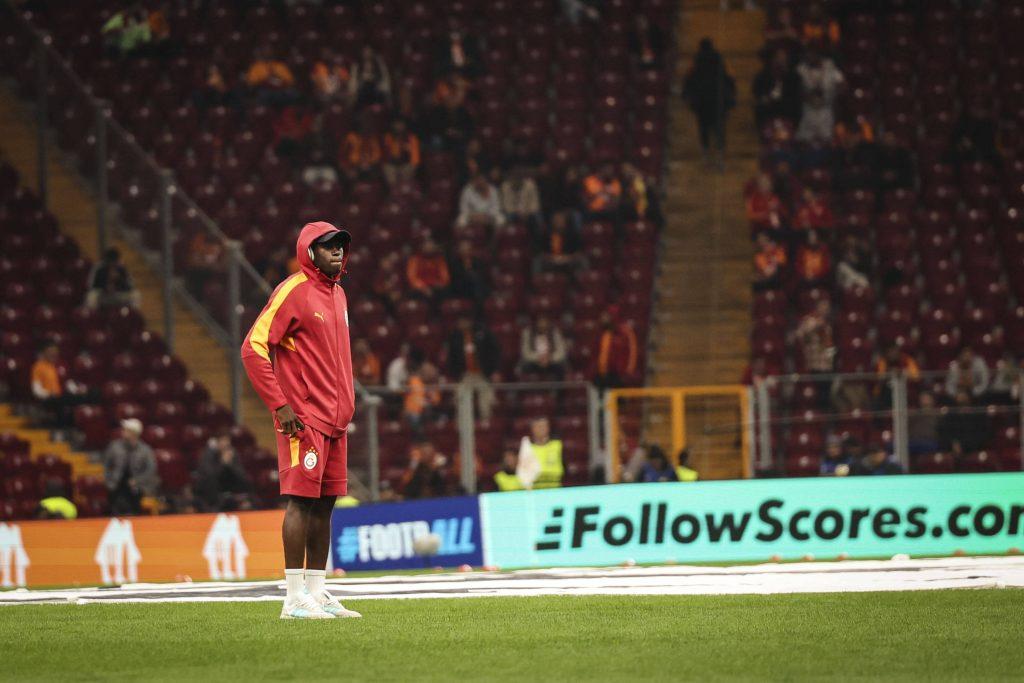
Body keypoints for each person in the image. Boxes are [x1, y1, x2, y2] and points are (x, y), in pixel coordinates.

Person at [240, 221, 360, 620]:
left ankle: (317, 590)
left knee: (325, 505)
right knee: (301, 503)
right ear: (309, 253)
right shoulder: (293, 291)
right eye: (327, 247)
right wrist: (280, 405)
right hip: (303, 419)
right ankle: (293, 598)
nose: (337, 252)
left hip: (336, 422)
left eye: (340, 245)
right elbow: (253, 348)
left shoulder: (339, 294)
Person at [682, 38, 736, 168]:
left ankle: (706, 157)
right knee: (719, 129)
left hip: (702, 103)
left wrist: (686, 97)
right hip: (718, 101)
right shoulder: (719, 61)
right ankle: (720, 157)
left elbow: (688, 80)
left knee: (704, 129)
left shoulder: (696, 62)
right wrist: (731, 99)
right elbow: (729, 80)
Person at [446, 316, 501, 420]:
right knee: (460, 397)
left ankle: (487, 424)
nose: (460, 324)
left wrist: (495, 370)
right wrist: (455, 377)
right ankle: (462, 427)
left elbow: (494, 352)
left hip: (482, 374)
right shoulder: (455, 337)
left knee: (487, 400)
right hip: (465, 375)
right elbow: (451, 359)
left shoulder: (483, 333)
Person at [103, 418, 158, 516]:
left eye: (126, 430)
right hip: (116, 487)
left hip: (136, 489)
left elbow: (150, 470)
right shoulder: (114, 447)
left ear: (134, 433)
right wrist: (109, 481)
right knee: (116, 511)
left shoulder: (145, 450)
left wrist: (137, 480)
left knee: (133, 512)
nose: (123, 432)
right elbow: (107, 465)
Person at [794, 49, 844, 145]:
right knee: (806, 140)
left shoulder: (830, 66)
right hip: (808, 109)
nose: (810, 56)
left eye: (812, 53)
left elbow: (842, 84)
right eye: (808, 54)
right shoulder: (801, 69)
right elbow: (796, 89)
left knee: (827, 139)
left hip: (826, 108)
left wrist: (834, 95)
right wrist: (806, 95)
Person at [193, 434, 253, 513]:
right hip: (212, 494)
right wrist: (222, 463)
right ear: (217, 442)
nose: (225, 444)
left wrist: (230, 464)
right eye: (223, 441)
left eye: (227, 441)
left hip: (229, 491)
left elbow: (241, 475)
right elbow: (210, 477)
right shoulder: (208, 455)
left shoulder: (232, 454)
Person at [752, 49, 802, 131]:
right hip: (768, 117)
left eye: (783, 59)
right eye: (778, 58)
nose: (780, 61)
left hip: (787, 117)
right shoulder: (762, 77)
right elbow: (758, 95)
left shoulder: (794, 78)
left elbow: (796, 99)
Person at [595, 307, 638, 388]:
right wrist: (602, 372)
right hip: (607, 375)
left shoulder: (626, 331)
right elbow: (601, 356)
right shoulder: (604, 333)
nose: (602, 318)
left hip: (621, 374)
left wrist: (628, 371)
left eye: (605, 316)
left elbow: (633, 352)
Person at [938, 390, 991, 455]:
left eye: (963, 395)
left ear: (969, 397)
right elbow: (946, 431)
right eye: (959, 395)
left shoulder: (978, 414)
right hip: (954, 447)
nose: (961, 397)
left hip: (974, 446)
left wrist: (966, 445)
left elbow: (983, 433)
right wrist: (953, 442)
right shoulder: (951, 414)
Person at [516, 417, 564, 489]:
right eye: (538, 426)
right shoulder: (527, 448)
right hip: (534, 489)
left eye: (544, 426)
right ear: (532, 429)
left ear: (548, 428)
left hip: (555, 488)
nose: (541, 429)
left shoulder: (557, 445)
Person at [793, 299, 835, 376]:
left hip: (826, 363)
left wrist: (831, 355)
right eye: (823, 307)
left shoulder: (827, 325)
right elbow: (799, 334)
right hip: (812, 361)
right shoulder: (809, 320)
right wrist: (815, 326)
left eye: (827, 308)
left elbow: (829, 343)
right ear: (818, 307)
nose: (825, 310)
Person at [519, 315, 568, 380]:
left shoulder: (555, 332)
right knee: (526, 367)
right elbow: (525, 352)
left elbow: (561, 352)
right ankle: (531, 389)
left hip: (552, 361)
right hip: (534, 361)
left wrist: (550, 357)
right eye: (540, 324)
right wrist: (539, 358)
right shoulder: (528, 333)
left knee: (560, 367)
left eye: (545, 324)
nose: (542, 326)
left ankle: (556, 389)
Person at [406, 239, 450, 303]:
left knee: (445, 292)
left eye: (431, 245)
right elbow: (412, 278)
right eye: (427, 245)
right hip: (420, 288)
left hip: (436, 287)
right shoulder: (415, 259)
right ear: (422, 247)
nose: (429, 247)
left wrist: (439, 284)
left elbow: (445, 276)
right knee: (414, 293)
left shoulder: (440, 259)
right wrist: (424, 288)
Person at [403, 360, 442, 434]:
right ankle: (420, 438)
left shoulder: (431, 385)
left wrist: (428, 398)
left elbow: (436, 402)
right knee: (415, 417)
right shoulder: (413, 381)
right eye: (425, 371)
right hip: (412, 413)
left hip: (425, 413)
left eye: (430, 371)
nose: (428, 373)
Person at [448, 239, 490, 306]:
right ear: (459, 251)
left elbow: (483, 277)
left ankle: (479, 305)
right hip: (461, 288)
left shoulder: (478, 262)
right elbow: (455, 278)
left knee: (477, 282)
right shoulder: (455, 264)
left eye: (467, 250)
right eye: (463, 250)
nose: (465, 252)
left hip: (475, 288)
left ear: (471, 251)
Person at [382, 118, 421, 187]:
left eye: (401, 124)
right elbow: (386, 154)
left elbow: (415, 157)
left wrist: (413, 165)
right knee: (388, 169)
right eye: (396, 124)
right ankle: (394, 192)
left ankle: (404, 191)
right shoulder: (388, 137)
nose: (399, 126)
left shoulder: (411, 138)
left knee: (408, 169)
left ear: (405, 125)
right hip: (392, 164)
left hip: (406, 163)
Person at [908, 391, 940, 456]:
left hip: (929, 442)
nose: (925, 401)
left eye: (927, 399)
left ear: (932, 400)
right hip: (914, 441)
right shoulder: (915, 415)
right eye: (923, 399)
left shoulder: (938, 415)